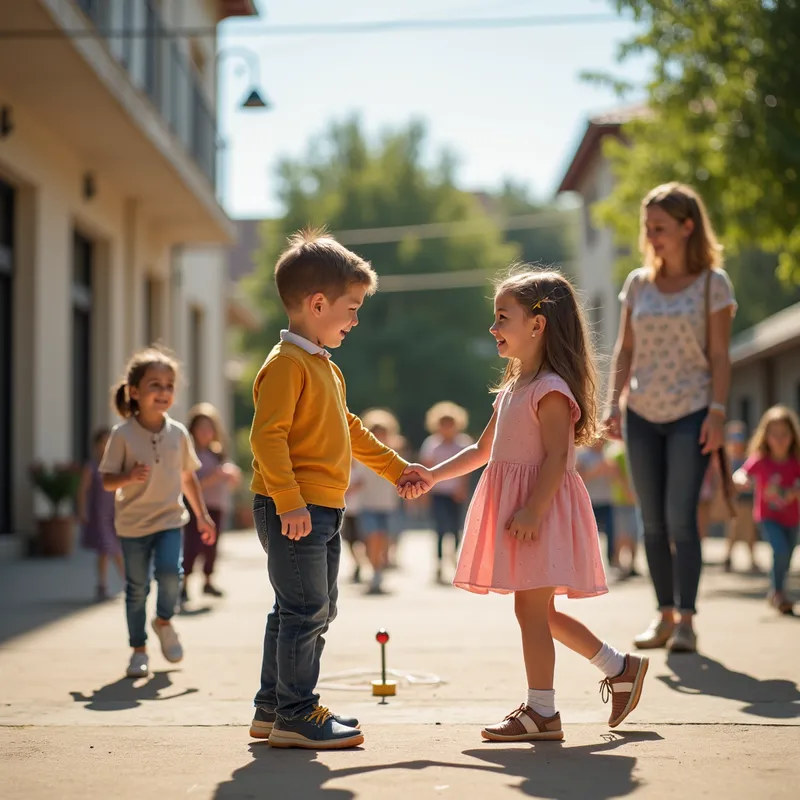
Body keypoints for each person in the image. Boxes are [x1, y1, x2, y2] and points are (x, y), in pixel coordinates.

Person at [401, 268, 648, 742]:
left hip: (542, 511)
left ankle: (543, 712)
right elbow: (480, 452)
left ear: (537, 325)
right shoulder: (513, 387)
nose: (493, 328)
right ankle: (621, 668)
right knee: (540, 613)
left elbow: (557, 457)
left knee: (532, 613)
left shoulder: (550, 388)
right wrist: (432, 474)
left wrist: (534, 509)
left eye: (501, 318)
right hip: (526, 512)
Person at [246, 228, 427, 750]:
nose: (355, 319)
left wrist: (397, 469)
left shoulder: (324, 367)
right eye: (351, 308)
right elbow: (267, 437)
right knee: (306, 611)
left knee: (303, 608)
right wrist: (288, 500)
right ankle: (297, 715)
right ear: (318, 303)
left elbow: (349, 431)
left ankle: (272, 709)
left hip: (321, 507)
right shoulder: (286, 366)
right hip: (294, 509)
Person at [605, 182, 736, 654]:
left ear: (687, 227)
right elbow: (626, 348)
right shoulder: (638, 283)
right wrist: (612, 404)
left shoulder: (712, 285)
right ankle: (662, 616)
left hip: (692, 412)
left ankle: (687, 620)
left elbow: (720, 355)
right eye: (647, 227)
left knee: (682, 518)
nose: (651, 236)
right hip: (640, 413)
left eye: (659, 227)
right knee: (651, 521)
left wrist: (718, 412)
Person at [99, 348, 216, 679]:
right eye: (155, 385)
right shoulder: (121, 435)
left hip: (168, 520)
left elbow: (187, 477)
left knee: (170, 573)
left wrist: (203, 516)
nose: (163, 392)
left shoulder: (179, 433)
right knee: (136, 589)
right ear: (134, 391)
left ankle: (163, 620)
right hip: (132, 525)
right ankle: (139, 649)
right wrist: (127, 477)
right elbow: (107, 481)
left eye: (169, 385)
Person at [733, 406, 800, 615]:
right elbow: (742, 473)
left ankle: (776, 590)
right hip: (768, 516)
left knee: (786, 555)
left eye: (784, 434)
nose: (779, 439)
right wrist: (741, 479)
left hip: (792, 517)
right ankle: (779, 594)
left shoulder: (796, 461)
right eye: (774, 434)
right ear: (765, 436)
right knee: (779, 550)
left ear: (792, 435)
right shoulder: (761, 460)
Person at [181, 403, 241, 605]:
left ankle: (208, 580)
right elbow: (189, 483)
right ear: (193, 430)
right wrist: (215, 477)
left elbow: (230, 481)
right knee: (191, 545)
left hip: (217, 506)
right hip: (196, 507)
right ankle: (185, 582)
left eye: (209, 428)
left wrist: (231, 476)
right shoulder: (189, 455)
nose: (206, 432)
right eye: (201, 428)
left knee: (212, 547)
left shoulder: (218, 454)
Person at [420, 401, 473, 583]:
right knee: (440, 529)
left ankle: (455, 557)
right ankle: (440, 564)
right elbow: (426, 467)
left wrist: (462, 488)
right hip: (438, 493)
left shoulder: (463, 443)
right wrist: (425, 495)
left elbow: (467, 469)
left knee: (456, 528)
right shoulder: (431, 444)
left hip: (455, 493)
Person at [354, 409, 403, 595]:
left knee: (383, 541)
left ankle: (377, 572)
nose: (379, 435)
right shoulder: (360, 454)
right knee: (372, 537)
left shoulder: (394, 453)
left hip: (388, 505)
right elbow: (356, 478)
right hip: (367, 504)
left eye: (382, 431)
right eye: (375, 431)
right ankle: (375, 573)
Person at [77, 428, 124, 601]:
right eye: (102, 442)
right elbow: (82, 491)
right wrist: (82, 511)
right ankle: (123, 583)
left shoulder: (115, 467)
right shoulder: (91, 467)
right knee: (108, 548)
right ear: (96, 446)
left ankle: (106, 585)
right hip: (98, 515)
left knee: (110, 550)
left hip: (113, 513)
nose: (105, 446)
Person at [724, 421, 759, 573]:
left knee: (751, 531)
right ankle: (728, 558)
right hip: (735, 500)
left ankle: (752, 559)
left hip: (749, 499)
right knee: (734, 530)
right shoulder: (729, 460)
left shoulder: (748, 458)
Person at [576, 438, 617, 568]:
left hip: (607, 501)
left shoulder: (608, 455)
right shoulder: (583, 456)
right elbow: (578, 479)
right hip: (590, 502)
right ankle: (585, 563)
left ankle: (612, 562)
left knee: (612, 533)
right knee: (587, 536)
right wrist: (596, 471)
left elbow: (617, 478)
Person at [606, 439, 640, 577]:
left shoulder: (633, 448)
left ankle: (631, 565)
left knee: (634, 533)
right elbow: (614, 472)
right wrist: (627, 489)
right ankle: (618, 563)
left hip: (633, 500)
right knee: (621, 534)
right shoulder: (615, 451)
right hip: (620, 500)